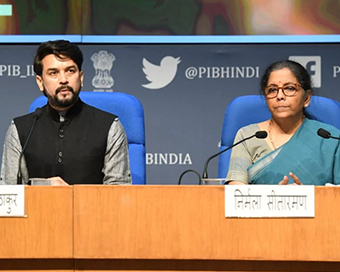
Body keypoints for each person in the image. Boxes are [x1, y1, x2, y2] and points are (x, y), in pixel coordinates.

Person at [0, 40, 131, 185]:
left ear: (80, 77)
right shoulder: (21, 129)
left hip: (93, 208)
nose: (63, 80)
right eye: (53, 73)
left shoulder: (109, 127)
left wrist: (70, 195)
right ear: (40, 82)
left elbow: (119, 196)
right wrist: (44, 186)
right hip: (37, 208)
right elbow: (10, 196)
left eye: (70, 71)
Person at [226, 60, 340, 185]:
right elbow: (234, 193)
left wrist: (307, 197)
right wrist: (274, 197)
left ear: (306, 98)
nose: (280, 96)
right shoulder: (248, 136)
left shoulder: (331, 139)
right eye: (272, 90)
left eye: (289, 88)